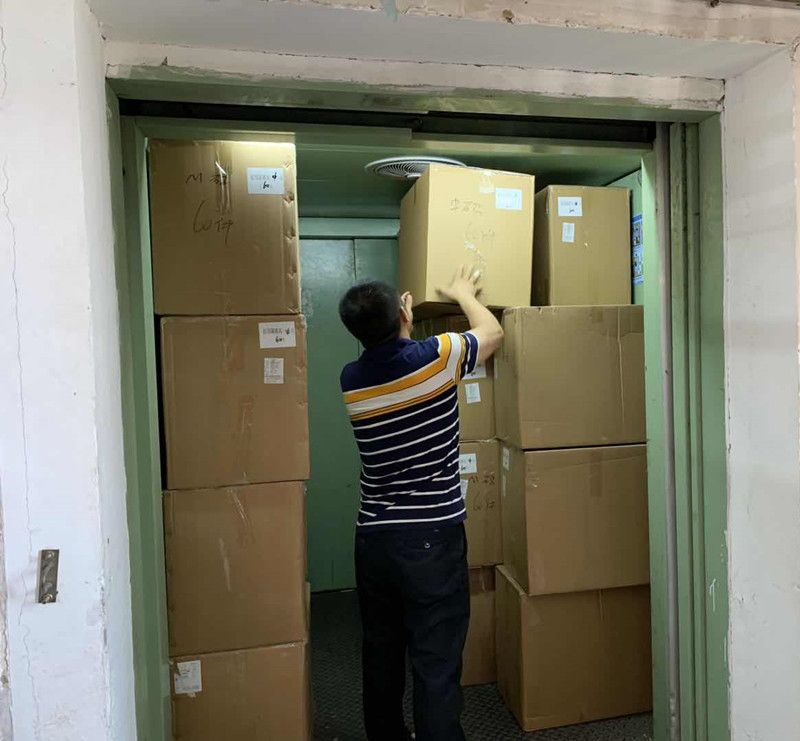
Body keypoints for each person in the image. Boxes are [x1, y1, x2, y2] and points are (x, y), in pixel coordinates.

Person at [338, 265, 504, 741]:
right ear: (403, 314)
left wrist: (401, 324)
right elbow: (492, 332)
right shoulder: (436, 358)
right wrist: (463, 293)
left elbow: (391, 356)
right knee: (435, 656)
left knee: (382, 649)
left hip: (374, 540)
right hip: (431, 537)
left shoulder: (352, 379)